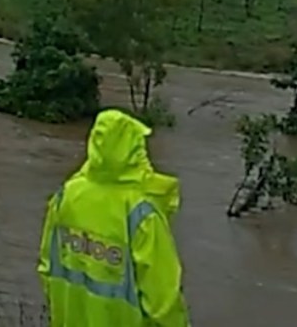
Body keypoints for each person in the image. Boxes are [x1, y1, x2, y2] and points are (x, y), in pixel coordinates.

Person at [37, 109, 190, 327]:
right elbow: (163, 303)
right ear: (134, 149)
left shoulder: (67, 195)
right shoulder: (142, 214)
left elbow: (47, 266)